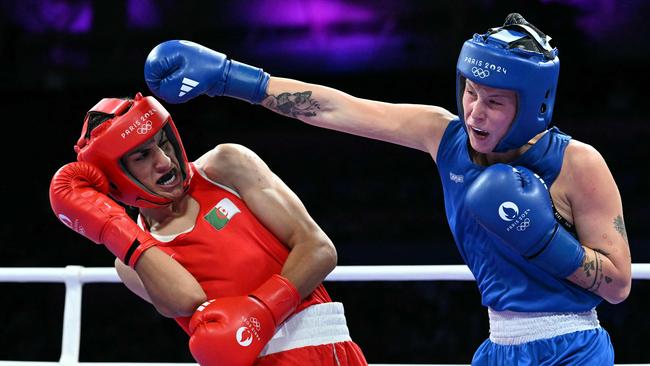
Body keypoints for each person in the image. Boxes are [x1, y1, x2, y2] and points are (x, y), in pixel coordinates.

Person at [142, 13, 632, 365]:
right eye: (470, 92)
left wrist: (544, 238)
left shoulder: (577, 164)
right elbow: (336, 107)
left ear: (531, 106)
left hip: (573, 345)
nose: (475, 112)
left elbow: (617, 285)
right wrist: (232, 78)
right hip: (497, 346)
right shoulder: (444, 137)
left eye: (495, 102)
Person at [48, 92, 368, 366]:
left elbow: (319, 249)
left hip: (320, 349)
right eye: (143, 156)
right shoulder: (130, 263)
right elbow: (188, 300)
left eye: (163, 144)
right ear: (116, 178)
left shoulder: (225, 166)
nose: (165, 161)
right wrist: (112, 228)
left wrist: (264, 310)